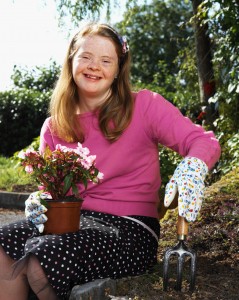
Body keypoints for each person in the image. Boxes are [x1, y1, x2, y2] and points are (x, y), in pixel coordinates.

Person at [0, 22, 221, 300]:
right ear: (71, 61)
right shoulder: (53, 127)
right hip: (73, 222)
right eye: (86, 57)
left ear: (117, 70)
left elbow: (203, 141)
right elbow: (53, 191)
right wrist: (41, 199)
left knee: (42, 257)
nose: (95, 66)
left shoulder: (146, 106)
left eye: (106, 60)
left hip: (130, 230)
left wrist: (194, 166)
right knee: (3, 246)